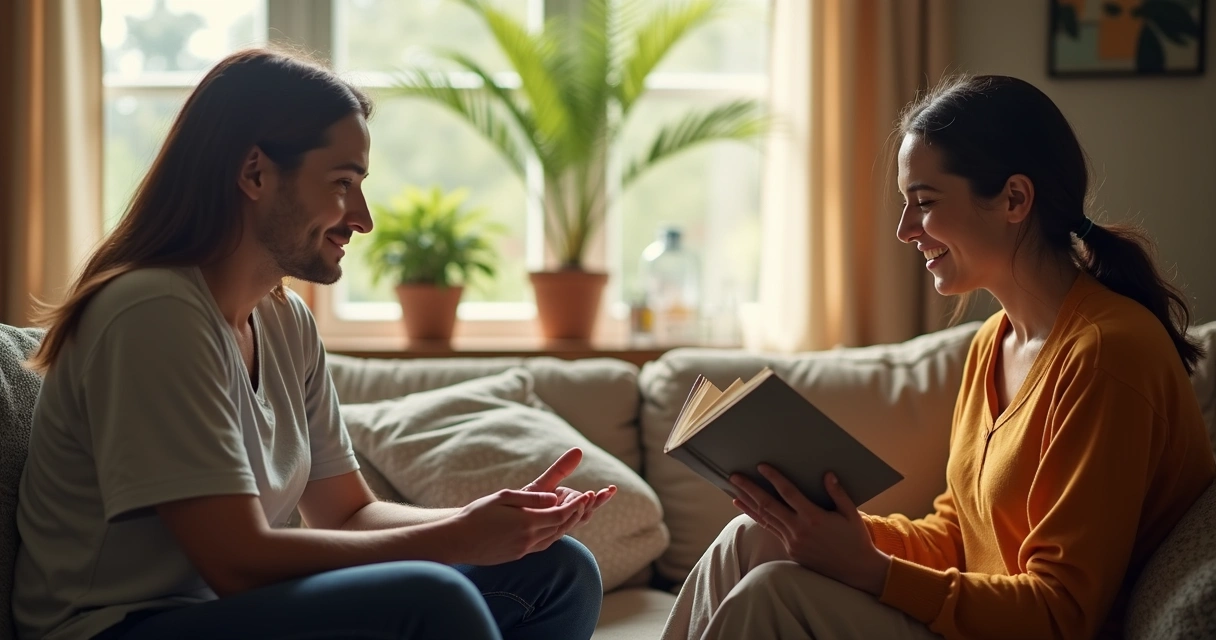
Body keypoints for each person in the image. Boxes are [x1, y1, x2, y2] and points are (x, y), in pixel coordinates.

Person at [14, 48, 615, 640]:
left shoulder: (285, 321)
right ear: (254, 173)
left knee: (557, 572)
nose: (363, 218)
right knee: (431, 597)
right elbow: (237, 564)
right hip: (123, 626)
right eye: (342, 183)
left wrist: (489, 523)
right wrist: (457, 540)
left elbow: (349, 514)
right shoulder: (152, 312)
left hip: (248, 613)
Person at [660, 74, 1216, 640]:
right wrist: (833, 532)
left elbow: (1061, 614)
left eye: (924, 203)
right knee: (751, 538)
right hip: (979, 618)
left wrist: (872, 571)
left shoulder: (1106, 355)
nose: (905, 230)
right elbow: (957, 537)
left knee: (773, 592)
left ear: (1014, 199)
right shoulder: (993, 342)